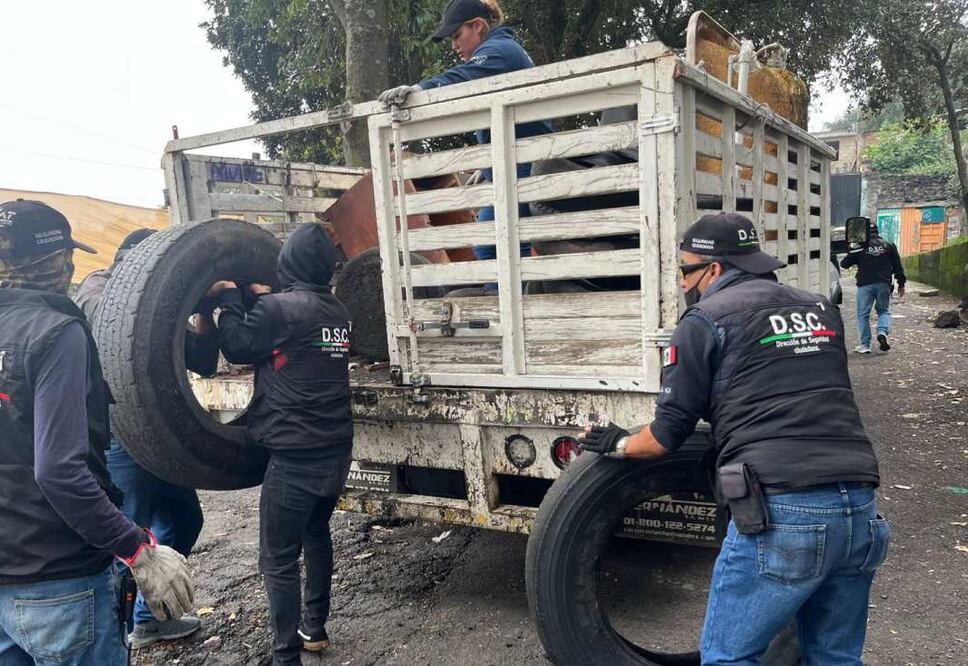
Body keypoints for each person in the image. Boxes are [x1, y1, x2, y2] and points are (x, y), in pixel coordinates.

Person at [579, 213, 888, 665]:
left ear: (715, 268)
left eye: (687, 270)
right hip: (860, 506)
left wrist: (617, 443)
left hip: (784, 510)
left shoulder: (704, 320)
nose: (685, 282)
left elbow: (665, 437)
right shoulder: (822, 308)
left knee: (728, 656)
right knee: (836, 658)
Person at [0, 200, 194, 664]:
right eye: (67, 255)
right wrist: (139, 550)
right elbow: (58, 471)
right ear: (56, 261)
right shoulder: (58, 332)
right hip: (59, 585)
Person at [208, 223, 352, 666]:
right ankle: (315, 627)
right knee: (316, 534)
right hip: (336, 450)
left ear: (287, 261)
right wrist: (262, 297)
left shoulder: (278, 309)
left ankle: (285, 657)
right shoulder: (339, 311)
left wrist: (232, 299)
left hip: (294, 458)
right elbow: (291, 332)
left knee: (279, 560)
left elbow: (235, 345)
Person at [75, 228, 216, 647]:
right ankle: (111, 639)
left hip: (162, 436)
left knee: (184, 520)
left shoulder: (160, 304)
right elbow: (106, 319)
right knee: (124, 541)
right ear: (136, 265)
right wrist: (159, 294)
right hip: (119, 436)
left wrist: (202, 310)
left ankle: (149, 619)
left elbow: (205, 363)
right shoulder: (96, 289)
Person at [378, 0, 553, 279]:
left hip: (523, 165)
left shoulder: (499, 51)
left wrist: (420, 89)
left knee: (490, 247)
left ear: (478, 27)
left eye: (457, 35)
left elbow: (460, 80)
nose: (453, 45)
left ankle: (507, 313)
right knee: (501, 247)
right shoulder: (505, 52)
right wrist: (487, 168)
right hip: (518, 163)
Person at [840, 219, 906, 354]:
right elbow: (898, 266)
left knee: (863, 315)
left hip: (865, 284)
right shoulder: (889, 245)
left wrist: (851, 249)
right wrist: (901, 284)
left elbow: (844, 264)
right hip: (884, 283)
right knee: (884, 311)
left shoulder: (859, 247)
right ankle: (882, 332)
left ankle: (865, 345)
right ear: (878, 232)